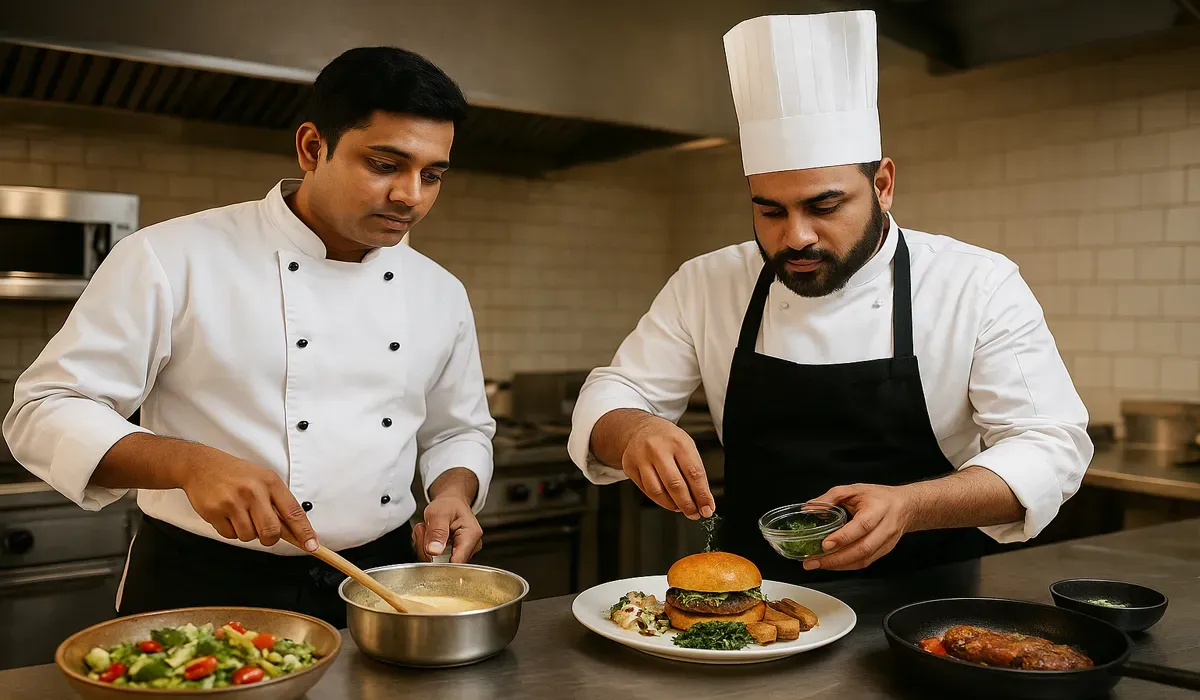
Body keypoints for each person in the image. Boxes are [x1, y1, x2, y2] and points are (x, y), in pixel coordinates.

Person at [568, 11, 1092, 583]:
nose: (795, 236)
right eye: (769, 210)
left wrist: (909, 507)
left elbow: (1049, 445)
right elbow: (618, 390)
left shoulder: (976, 284)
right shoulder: (708, 282)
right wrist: (636, 431)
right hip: (749, 607)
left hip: (920, 614)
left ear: (883, 184)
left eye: (824, 206)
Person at [3, 46, 496, 625]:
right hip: (206, 582)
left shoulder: (440, 291)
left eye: (431, 174)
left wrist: (454, 494)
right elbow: (43, 410)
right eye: (385, 165)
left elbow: (458, 428)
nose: (411, 196)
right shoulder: (171, 256)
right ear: (313, 147)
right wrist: (188, 464)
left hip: (378, 586)